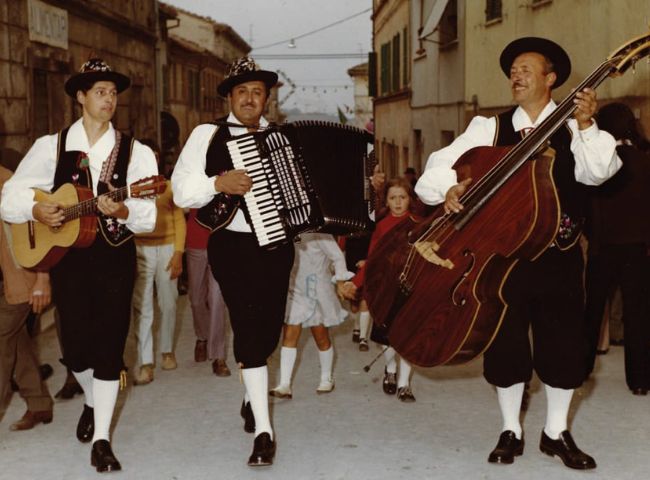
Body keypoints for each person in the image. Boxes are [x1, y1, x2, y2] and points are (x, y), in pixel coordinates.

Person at [414, 37, 620, 470]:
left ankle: (556, 432)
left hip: (559, 252)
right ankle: (511, 428)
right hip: (502, 257)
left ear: (551, 79)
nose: (517, 75)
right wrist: (448, 187)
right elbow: (433, 171)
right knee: (505, 342)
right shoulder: (486, 128)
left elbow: (599, 173)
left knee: (564, 344)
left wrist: (586, 126)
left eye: (527, 69)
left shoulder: (574, 127)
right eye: (513, 70)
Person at [0, 58, 157, 472]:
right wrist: (38, 210)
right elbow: (9, 197)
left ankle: (102, 438)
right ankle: (91, 398)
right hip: (67, 258)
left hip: (114, 257)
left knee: (109, 346)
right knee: (77, 351)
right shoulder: (50, 146)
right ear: (80, 97)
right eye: (100, 92)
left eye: (113, 92)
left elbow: (149, 214)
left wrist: (123, 209)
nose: (109, 99)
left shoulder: (136, 152)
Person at [172, 56, 292, 467]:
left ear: (266, 99)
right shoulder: (207, 135)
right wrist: (217, 182)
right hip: (232, 245)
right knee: (246, 328)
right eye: (242, 91)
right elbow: (181, 191)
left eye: (257, 91)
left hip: (277, 245)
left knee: (269, 331)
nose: (249, 98)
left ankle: (250, 394)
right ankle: (263, 431)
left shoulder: (283, 137)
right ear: (230, 97)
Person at [583, 102, 650, 395]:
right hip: (638, 250)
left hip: (602, 248)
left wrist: (594, 237)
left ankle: (580, 371)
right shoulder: (646, 162)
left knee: (591, 312)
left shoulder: (599, 164)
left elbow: (587, 208)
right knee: (638, 315)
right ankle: (639, 381)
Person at [340, 178, 419, 402]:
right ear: (386, 200)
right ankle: (390, 370)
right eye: (392, 198)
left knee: (407, 339)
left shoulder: (418, 224)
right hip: (386, 290)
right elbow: (373, 260)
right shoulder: (382, 227)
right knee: (388, 340)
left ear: (409, 200)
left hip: (410, 289)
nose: (397, 202)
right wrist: (355, 282)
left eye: (402, 197)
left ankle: (404, 384)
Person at [0, 165, 54, 431]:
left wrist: (42, 278)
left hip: (20, 279)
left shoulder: (10, 181)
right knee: (18, 342)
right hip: (5, 284)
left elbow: (40, 231)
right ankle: (39, 405)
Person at [270, 232, 351, 399]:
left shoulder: (319, 233)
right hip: (295, 288)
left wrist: (341, 280)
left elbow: (337, 257)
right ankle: (285, 384)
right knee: (290, 334)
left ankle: (326, 377)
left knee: (320, 336)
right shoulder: (286, 230)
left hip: (316, 290)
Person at [131, 140, 186, 385]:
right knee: (143, 307)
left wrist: (178, 253)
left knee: (169, 302)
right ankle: (145, 362)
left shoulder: (168, 186)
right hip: (140, 249)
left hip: (167, 248)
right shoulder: (131, 189)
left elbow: (179, 220)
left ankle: (166, 351)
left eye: (155, 157)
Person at [185, 208, 231, 377]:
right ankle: (202, 336)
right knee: (196, 298)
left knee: (217, 298)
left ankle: (218, 356)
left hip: (220, 241)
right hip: (195, 240)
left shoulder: (224, 179)